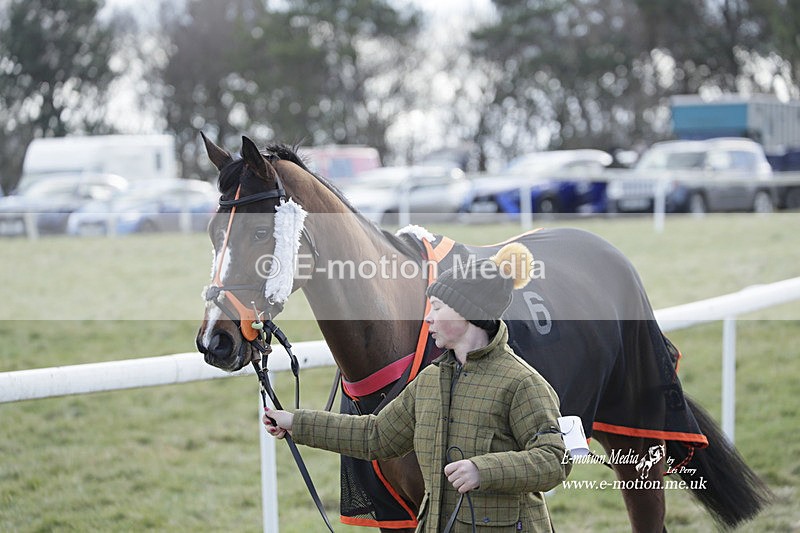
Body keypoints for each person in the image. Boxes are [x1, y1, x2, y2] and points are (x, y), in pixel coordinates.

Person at [263, 242, 571, 532]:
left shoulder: (522, 383)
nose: (428, 317)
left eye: (437, 307)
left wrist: (484, 470)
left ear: (466, 312)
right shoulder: (429, 380)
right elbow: (376, 436)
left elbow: (557, 458)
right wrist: (294, 423)